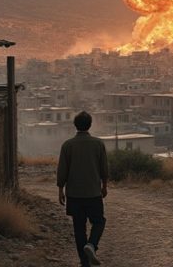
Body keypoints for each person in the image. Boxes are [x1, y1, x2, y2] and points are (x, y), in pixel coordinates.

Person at [57, 111, 109, 266]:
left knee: (79, 228)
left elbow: (62, 170)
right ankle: (92, 245)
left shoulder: (67, 145)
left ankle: (84, 262)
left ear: (75, 125)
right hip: (93, 192)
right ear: (90, 125)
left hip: (74, 194)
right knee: (98, 222)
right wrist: (104, 186)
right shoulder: (98, 144)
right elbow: (103, 168)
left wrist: (60, 190)